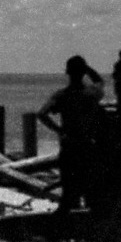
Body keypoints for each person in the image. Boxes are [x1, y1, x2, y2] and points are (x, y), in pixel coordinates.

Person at [38, 55, 107, 215]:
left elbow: (42, 114)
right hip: (89, 147)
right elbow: (100, 81)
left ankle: (64, 230)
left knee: (69, 194)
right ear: (83, 72)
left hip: (69, 147)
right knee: (92, 194)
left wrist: (59, 130)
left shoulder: (62, 95)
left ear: (67, 72)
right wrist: (88, 69)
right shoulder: (92, 93)